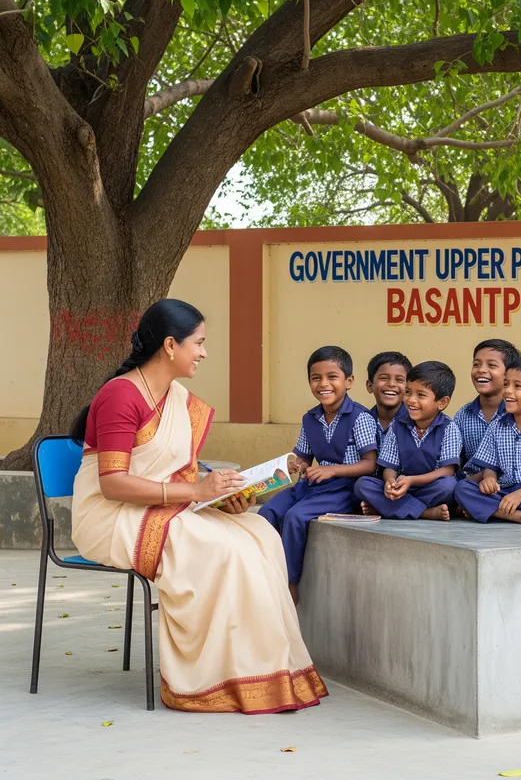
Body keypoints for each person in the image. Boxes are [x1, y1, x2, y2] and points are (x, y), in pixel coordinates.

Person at [70, 299, 327, 713]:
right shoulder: (121, 395)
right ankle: (212, 680)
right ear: (170, 346)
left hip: (159, 505)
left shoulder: (177, 398)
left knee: (259, 534)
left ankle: (267, 670)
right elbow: (113, 484)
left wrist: (225, 496)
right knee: (224, 549)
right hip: (111, 516)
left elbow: (182, 471)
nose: (204, 353)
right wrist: (196, 494)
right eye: (199, 343)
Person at [257, 346, 377, 602]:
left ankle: (290, 583)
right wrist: (294, 464)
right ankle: (264, 574)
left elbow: (370, 464)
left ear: (349, 381)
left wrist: (332, 469)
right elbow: (302, 456)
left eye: (332, 377)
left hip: (343, 489)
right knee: (266, 512)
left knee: (295, 517)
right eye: (316, 378)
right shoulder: (310, 418)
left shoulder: (360, 418)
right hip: (311, 486)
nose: (324, 384)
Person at [453, 356, 521, 525]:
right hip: (501, 491)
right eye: (506, 384)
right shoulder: (497, 425)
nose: (507, 391)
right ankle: (519, 516)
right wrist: (489, 479)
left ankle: (491, 511)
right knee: (463, 488)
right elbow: (490, 466)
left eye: (517, 386)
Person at [354, 361, 462, 521]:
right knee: (362, 485)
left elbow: (447, 471)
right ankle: (426, 513)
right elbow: (389, 466)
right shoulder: (397, 426)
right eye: (408, 392)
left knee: (449, 486)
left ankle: (388, 509)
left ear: (442, 402)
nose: (411, 400)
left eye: (421, 395)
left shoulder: (449, 428)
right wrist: (390, 482)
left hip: (429, 488)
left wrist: (412, 481)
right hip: (401, 489)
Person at [453, 339, 521, 477]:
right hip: (471, 485)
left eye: (491, 365)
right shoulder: (463, 415)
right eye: (476, 364)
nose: (481, 370)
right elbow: (456, 459)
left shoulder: (519, 414)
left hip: (509, 483)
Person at [365, 350, 412, 451]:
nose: (391, 384)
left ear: (408, 389)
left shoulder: (416, 424)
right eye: (384, 378)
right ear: (370, 386)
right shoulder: (361, 423)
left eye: (399, 380)